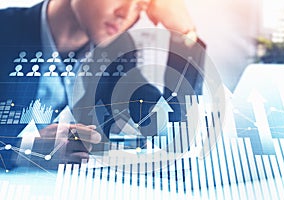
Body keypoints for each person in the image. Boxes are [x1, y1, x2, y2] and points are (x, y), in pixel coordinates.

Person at [0, 0, 206, 169]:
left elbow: (167, 123)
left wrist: (183, 31)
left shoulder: (117, 52)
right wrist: (24, 149)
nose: (125, 13)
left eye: (139, 6)